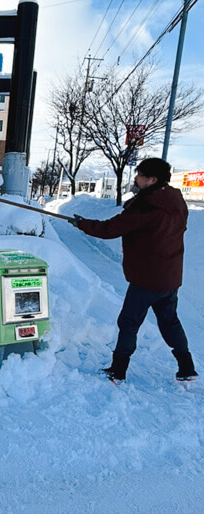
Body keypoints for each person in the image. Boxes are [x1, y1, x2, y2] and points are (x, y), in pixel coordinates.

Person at [69, 157, 198, 384]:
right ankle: (186, 367)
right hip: (169, 276)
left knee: (129, 322)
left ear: (152, 180)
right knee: (170, 321)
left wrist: (82, 224)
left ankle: (118, 370)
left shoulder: (147, 205)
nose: (136, 178)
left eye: (140, 175)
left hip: (147, 279)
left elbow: (111, 229)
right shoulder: (176, 201)